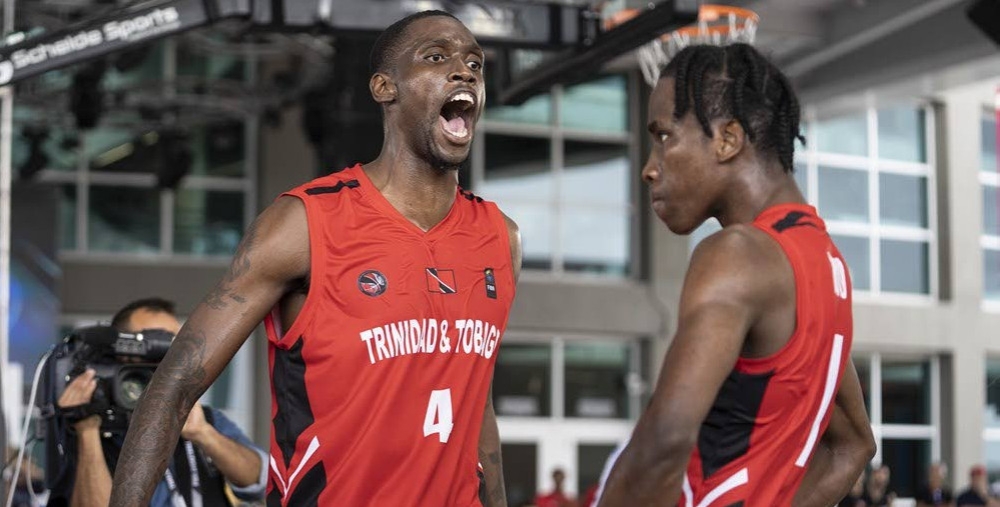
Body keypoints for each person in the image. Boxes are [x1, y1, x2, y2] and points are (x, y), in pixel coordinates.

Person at [109, 10, 520, 507]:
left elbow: (476, 402)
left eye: (475, 63)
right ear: (384, 88)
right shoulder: (304, 224)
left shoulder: (500, 238)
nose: (465, 71)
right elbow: (172, 388)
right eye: (437, 57)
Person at [595, 43, 876, 507]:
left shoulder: (738, 253)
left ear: (727, 140)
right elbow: (851, 447)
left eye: (663, 136)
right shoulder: (824, 263)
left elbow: (663, 442)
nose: (649, 168)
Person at [48, 298, 266, 507]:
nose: (164, 355)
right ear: (122, 351)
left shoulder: (200, 418)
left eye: (175, 343)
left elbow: (261, 480)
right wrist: (87, 431)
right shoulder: (93, 421)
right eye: (151, 342)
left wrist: (204, 434)